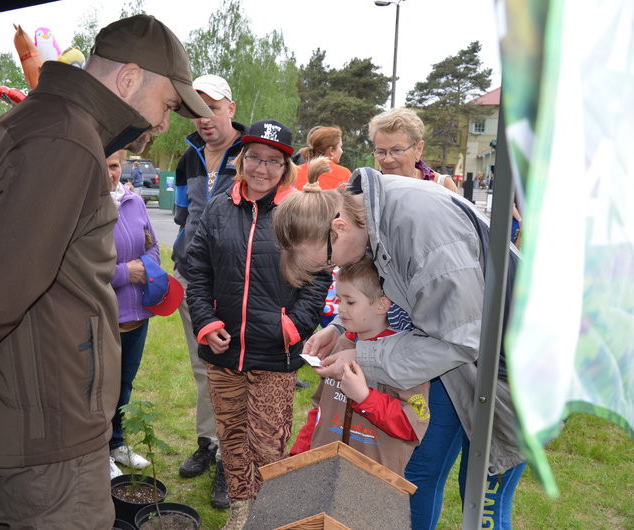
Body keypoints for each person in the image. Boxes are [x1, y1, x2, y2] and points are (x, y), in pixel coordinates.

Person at [0, 14, 211, 529]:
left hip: (7, 417)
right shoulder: (67, 141)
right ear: (128, 78)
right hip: (45, 436)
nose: (164, 124)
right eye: (167, 104)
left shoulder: (21, 125)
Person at [272, 165, 526, 530]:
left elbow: (458, 341)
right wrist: (340, 326)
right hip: (460, 362)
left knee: (472, 492)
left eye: (329, 260)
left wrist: (361, 354)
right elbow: (394, 288)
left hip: (509, 371)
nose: (337, 267)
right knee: (419, 477)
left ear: (339, 227)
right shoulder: (372, 215)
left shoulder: (423, 232)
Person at [185, 120, 330, 530]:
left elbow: (319, 276)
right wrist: (205, 320)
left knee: (267, 443)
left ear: (285, 166)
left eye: (271, 160)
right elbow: (198, 269)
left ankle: (268, 513)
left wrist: (294, 327)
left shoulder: (299, 209)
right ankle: (240, 511)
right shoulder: (219, 207)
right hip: (224, 349)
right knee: (231, 438)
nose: (260, 168)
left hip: (274, 350)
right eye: (253, 158)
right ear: (241, 159)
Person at [172, 73, 246, 509]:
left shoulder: (253, 153)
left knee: (232, 370)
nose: (205, 118)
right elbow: (183, 216)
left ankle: (229, 458)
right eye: (197, 109)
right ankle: (208, 443)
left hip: (235, 283)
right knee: (204, 367)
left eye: (213, 107)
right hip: (192, 279)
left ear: (231, 108)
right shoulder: (188, 158)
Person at [290, 256, 429, 476]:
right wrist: (299, 454)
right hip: (322, 471)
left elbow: (411, 425)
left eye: (350, 302)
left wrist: (365, 397)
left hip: (373, 483)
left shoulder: (404, 357)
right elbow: (320, 409)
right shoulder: (341, 344)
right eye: (340, 299)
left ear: (382, 305)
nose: (341, 309)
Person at [106, 149, 158, 479]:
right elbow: (79, 266)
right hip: (103, 316)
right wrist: (126, 273)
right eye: (102, 165)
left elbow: (151, 244)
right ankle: (96, 451)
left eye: (114, 165)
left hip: (138, 314)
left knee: (124, 385)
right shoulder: (81, 208)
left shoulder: (134, 202)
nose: (109, 173)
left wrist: (146, 265)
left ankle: (117, 442)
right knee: (100, 389)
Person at [368, 107, 460, 194]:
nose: (387, 160)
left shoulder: (443, 186)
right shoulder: (369, 189)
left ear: (418, 149)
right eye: (381, 152)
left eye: (397, 150)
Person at [293, 126, 351, 190]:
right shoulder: (344, 174)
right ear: (331, 151)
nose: (342, 151)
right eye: (340, 147)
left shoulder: (295, 171)